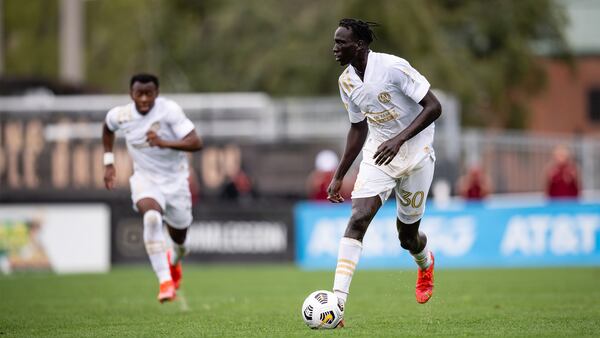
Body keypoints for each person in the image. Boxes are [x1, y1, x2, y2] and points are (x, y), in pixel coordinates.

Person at [327, 18, 442, 319]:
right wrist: (339, 175)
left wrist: (400, 139)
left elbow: (434, 106)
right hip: (379, 155)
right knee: (358, 219)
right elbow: (357, 129)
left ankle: (425, 263)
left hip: (417, 154)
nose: (335, 48)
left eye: (341, 42)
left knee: (407, 236)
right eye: (335, 42)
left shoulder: (393, 67)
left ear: (360, 45)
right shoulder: (346, 82)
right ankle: (337, 305)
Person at [102, 73, 203, 303]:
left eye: (149, 94)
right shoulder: (122, 115)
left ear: (157, 94)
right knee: (151, 218)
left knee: (181, 244)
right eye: (140, 94)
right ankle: (165, 282)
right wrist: (108, 163)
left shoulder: (170, 111)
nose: (145, 98)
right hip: (145, 179)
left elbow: (196, 142)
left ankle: (175, 262)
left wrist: (164, 142)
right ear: (131, 94)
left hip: (176, 182)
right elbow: (107, 128)